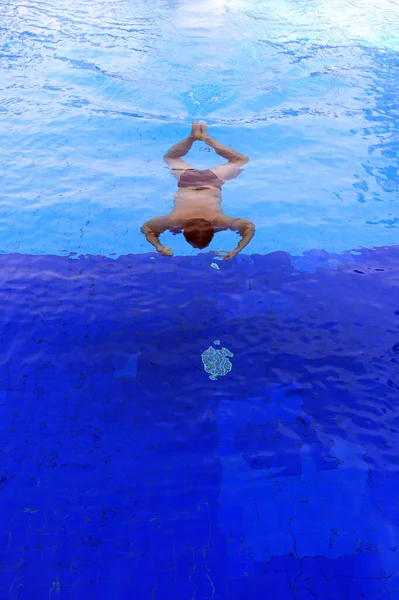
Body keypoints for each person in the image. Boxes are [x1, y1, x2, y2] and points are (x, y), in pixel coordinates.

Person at [141, 122, 255, 260]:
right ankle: (195, 137)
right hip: (187, 181)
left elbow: (147, 228)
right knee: (171, 158)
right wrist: (158, 246)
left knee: (240, 160)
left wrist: (159, 246)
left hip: (211, 182)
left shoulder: (219, 221)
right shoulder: (174, 220)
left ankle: (202, 137)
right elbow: (146, 228)